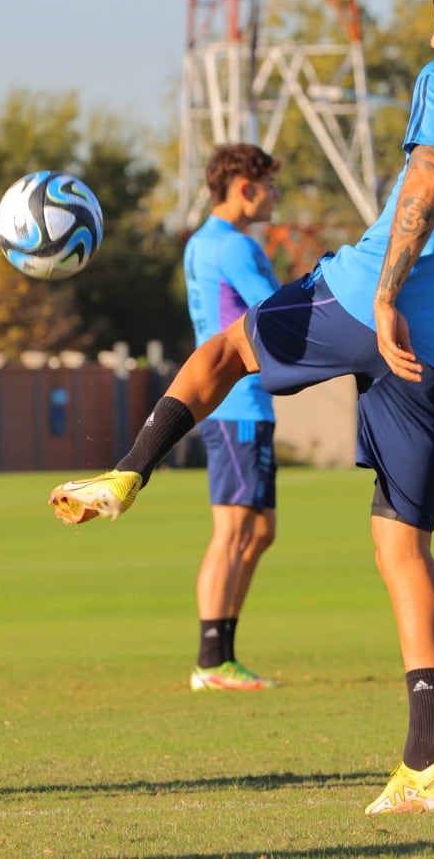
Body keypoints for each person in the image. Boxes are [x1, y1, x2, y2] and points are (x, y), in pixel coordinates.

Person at [53, 0, 434, 816]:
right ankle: (425, 764)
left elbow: (429, 176)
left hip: (363, 299)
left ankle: (127, 474)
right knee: (404, 550)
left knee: (224, 354)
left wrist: (389, 296)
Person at [182, 143, 284, 692]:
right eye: (270, 186)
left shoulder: (201, 242)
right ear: (245, 188)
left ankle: (222, 654)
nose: (276, 196)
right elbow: (279, 311)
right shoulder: (236, 246)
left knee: (260, 530)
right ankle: (212, 661)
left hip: (240, 404)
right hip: (237, 405)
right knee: (232, 532)